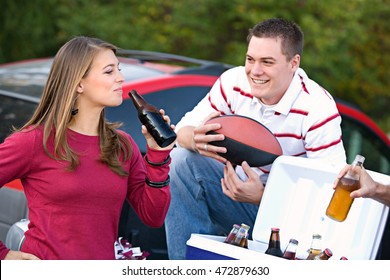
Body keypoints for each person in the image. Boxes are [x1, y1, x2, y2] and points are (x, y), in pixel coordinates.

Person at [165, 18, 347, 259]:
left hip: (287, 220)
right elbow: (182, 132)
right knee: (180, 161)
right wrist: (195, 140)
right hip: (232, 198)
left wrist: (264, 196)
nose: (255, 71)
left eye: (267, 62)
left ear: (294, 63)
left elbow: (330, 194)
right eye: (250, 59)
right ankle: (190, 266)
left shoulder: (318, 109)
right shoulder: (233, 82)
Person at [0, 36, 174, 260]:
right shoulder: (35, 141)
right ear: (79, 83)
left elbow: (153, 217)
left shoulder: (122, 145)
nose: (121, 78)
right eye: (109, 71)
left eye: (118, 70)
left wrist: (158, 155)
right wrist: (5, 256)